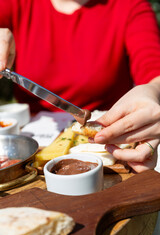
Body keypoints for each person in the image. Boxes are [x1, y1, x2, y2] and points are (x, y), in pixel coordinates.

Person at [0, 0, 160, 173]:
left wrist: (153, 91)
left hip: (109, 144)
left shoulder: (130, 6)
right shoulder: (15, 3)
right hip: (27, 150)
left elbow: (152, 68)